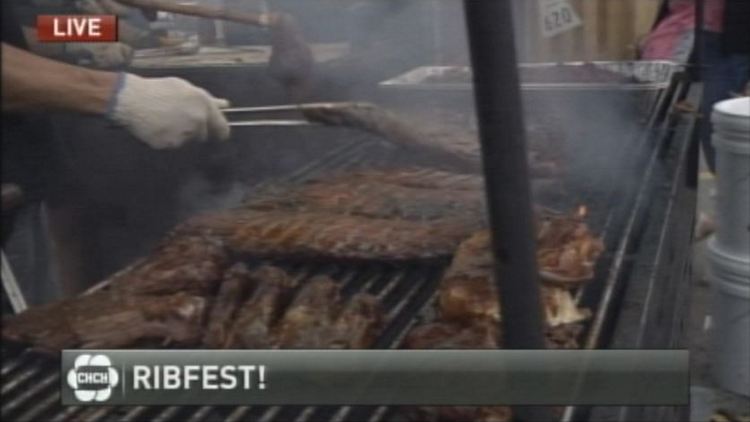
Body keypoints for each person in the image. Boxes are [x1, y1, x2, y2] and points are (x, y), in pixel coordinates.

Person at [1, 0, 231, 305]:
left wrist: (111, 30)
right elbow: (35, 27)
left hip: (27, 159)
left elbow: (12, 31)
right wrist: (94, 39)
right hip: (62, 100)